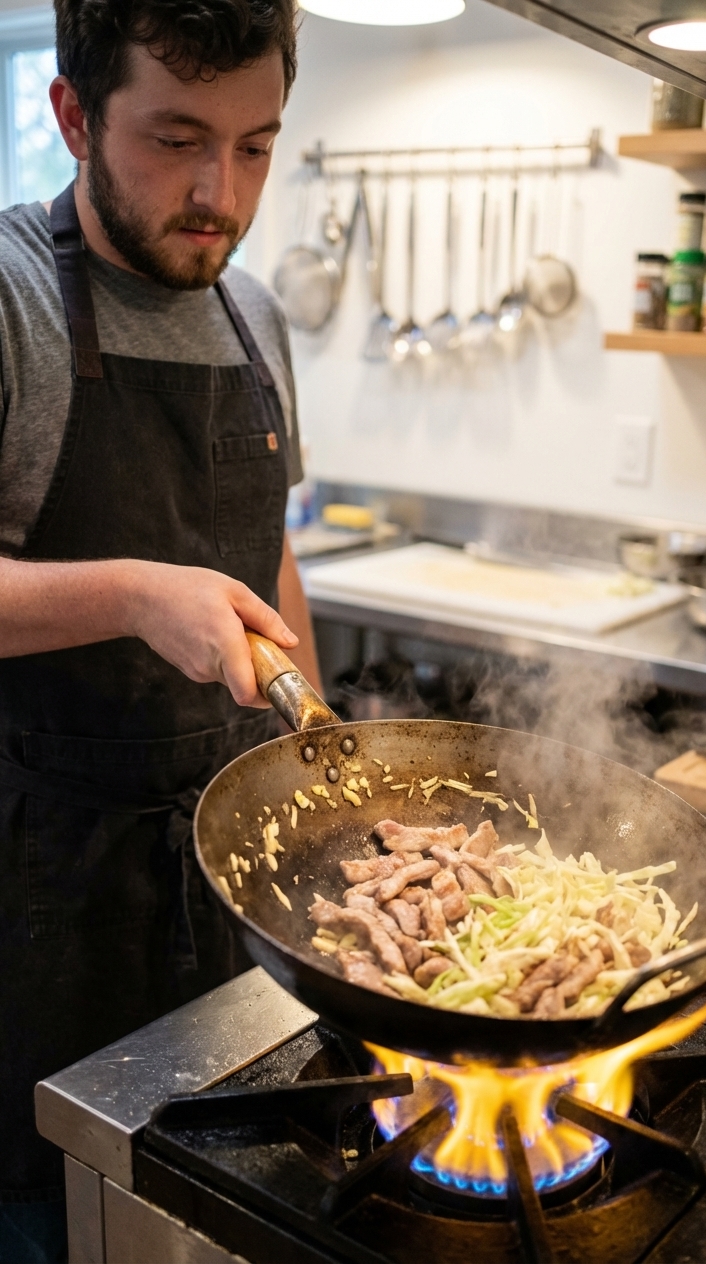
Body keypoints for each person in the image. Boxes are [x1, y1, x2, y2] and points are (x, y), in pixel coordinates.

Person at [0, 3, 315, 1258]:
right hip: (38, 902)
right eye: (177, 139)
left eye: (255, 147)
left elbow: (270, 552)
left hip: (226, 902)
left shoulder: (262, 319)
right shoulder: (13, 299)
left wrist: (328, 762)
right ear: (75, 116)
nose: (218, 194)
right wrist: (134, 591)